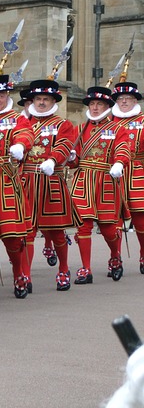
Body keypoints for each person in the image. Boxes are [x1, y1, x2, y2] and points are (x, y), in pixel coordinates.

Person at [0, 75, 35, 298]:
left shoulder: (16, 118)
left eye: (1, 95)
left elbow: (26, 133)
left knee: (12, 233)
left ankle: (19, 273)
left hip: (6, 180)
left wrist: (20, 145)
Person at [20, 79, 81, 291]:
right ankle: (25, 275)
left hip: (50, 180)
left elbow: (65, 145)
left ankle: (64, 268)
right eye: (38, 99)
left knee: (55, 231)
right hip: (26, 181)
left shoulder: (62, 124)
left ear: (53, 101)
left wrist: (53, 159)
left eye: (46, 99)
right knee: (26, 232)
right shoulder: (23, 124)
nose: (42, 103)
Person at [68, 87, 130, 284]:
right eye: (92, 104)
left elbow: (123, 149)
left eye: (99, 104)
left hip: (106, 180)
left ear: (107, 106)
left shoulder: (118, 129)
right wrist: (71, 157)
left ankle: (115, 256)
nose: (95, 108)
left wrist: (119, 163)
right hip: (84, 180)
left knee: (108, 229)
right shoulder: (79, 130)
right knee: (83, 227)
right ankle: (86, 268)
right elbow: (75, 161)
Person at [110, 81, 144, 276]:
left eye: (128, 99)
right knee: (113, 219)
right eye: (120, 99)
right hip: (114, 174)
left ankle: (143, 253)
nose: (124, 102)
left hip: (137, 173)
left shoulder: (142, 121)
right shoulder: (109, 122)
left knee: (140, 220)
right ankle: (115, 257)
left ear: (134, 101)